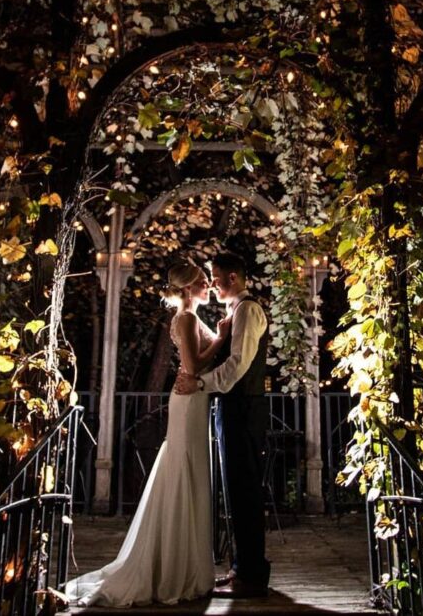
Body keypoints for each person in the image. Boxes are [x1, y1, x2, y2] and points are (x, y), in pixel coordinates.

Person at [64, 261, 230, 607]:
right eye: (202, 281)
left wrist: (218, 337)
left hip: (196, 398)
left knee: (193, 473)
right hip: (188, 399)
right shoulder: (184, 319)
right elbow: (193, 365)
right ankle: (171, 569)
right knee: (183, 471)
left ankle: (188, 565)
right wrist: (223, 337)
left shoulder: (192, 318)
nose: (208, 286)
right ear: (186, 289)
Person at [173, 251, 271, 598]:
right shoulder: (234, 313)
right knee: (234, 487)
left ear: (232, 278)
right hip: (230, 406)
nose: (212, 283)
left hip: (243, 407)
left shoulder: (248, 310)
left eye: (215, 276)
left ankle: (253, 575)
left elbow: (239, 364)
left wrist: (201, 384)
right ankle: (240, 568)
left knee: (245, 488)